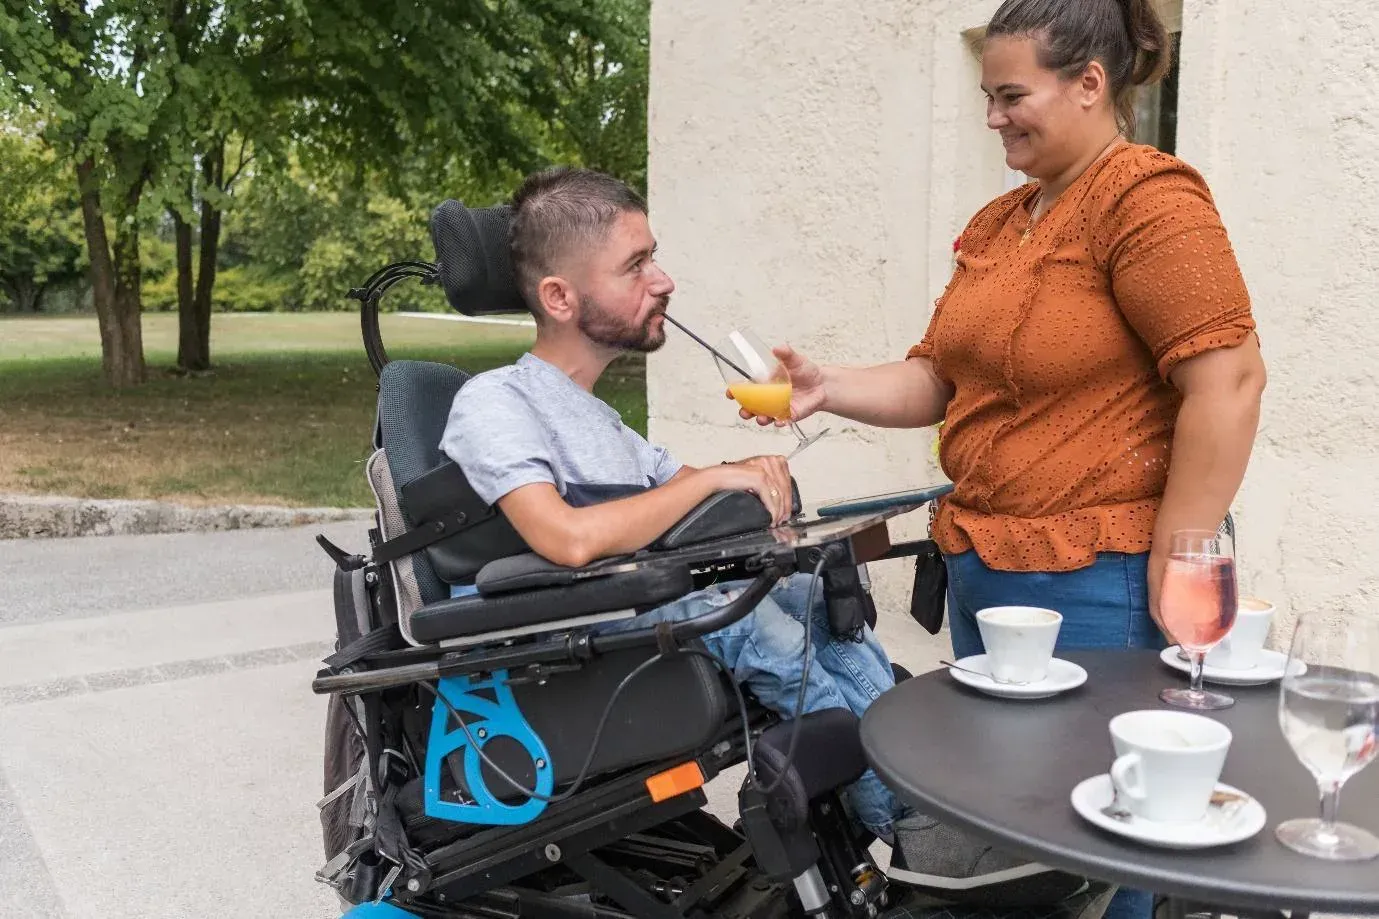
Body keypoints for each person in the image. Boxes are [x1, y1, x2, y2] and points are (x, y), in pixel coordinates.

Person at [740, 0, 1265, 914]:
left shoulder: (1146, 201)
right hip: (989, 572)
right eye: (986, 96)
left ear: (1089, 84)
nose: (992, 117)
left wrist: (1177, 564)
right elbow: (939, 379)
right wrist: (827, 387)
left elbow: (1228, 382)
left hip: (1101, 579)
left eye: (1010, 94)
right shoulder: (1000, 224)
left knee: (1112, 839)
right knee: (1022, 836)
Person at [437, 165, 918, 848]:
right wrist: (707, 483)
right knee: (764, 633)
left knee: (816, 593)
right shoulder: (495, 402)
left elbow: (689, 485)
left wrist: (750, 473)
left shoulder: (596, 419)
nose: (662, 279)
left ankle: (919, 801)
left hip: (632, 609)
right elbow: (567, 538)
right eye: (635, 265)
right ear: (559, 296)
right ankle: (903, 833)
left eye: (653, 256)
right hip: (559, 645)